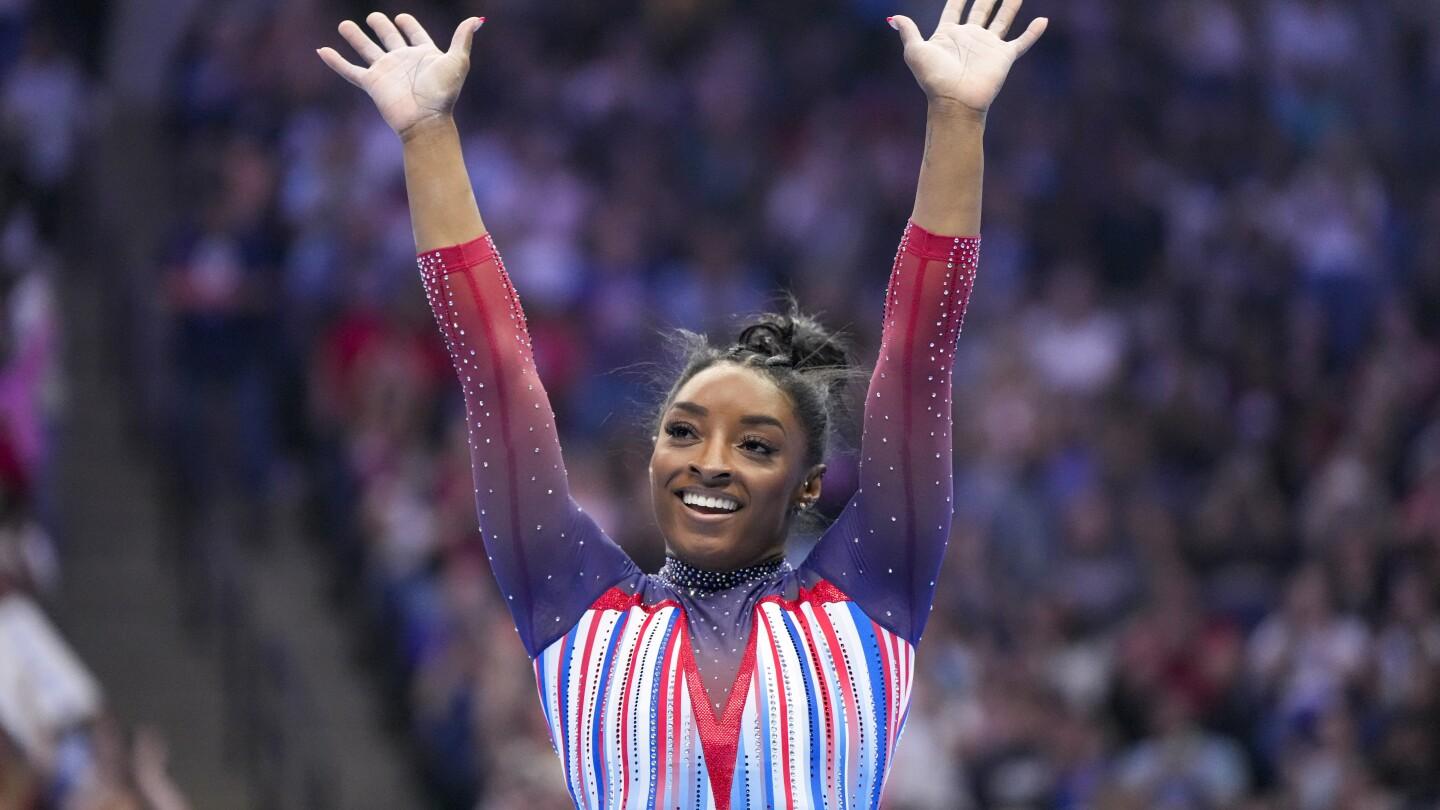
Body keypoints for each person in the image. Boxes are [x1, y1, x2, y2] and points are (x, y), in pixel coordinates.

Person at [317, 2, 1045, 807]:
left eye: (757, 445)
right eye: (685, 432)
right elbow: (498, 375)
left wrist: (956, 119)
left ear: (809, 486)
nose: (709, 461)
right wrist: (426, 138)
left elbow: (917, 362)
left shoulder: (871, 593)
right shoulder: (573, 602)